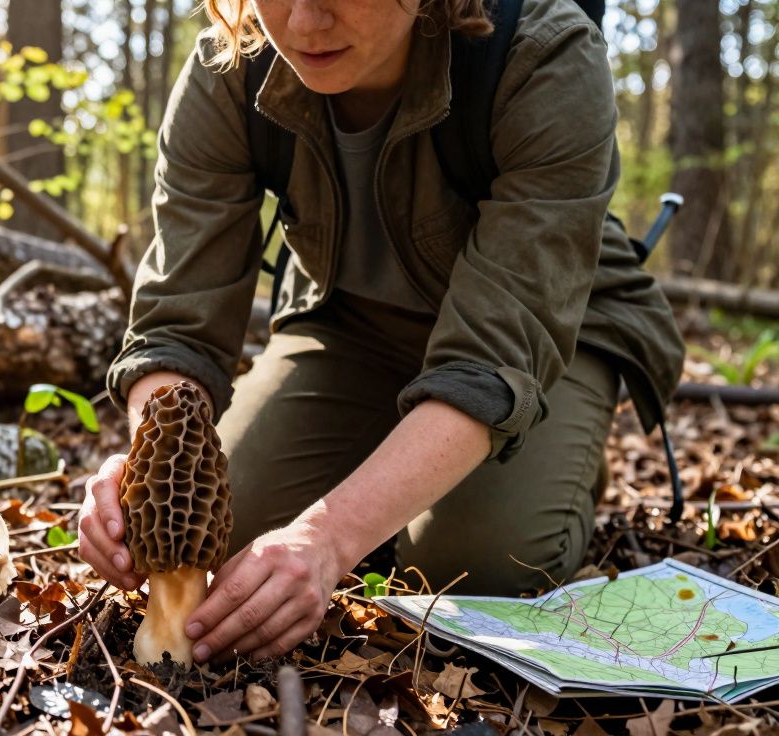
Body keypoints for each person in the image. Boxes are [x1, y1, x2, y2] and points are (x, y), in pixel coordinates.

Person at [77, 0, 684, 665]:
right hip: (351, 328)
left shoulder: (541, 52)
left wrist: (332, 537)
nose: (306, 24)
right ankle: (401, 477)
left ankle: (542, 460)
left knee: (471, 569)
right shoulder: (234, 62)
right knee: (220, 540)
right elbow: (176, 321)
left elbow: (496, 356)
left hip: (544, 343)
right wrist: (148, 464)